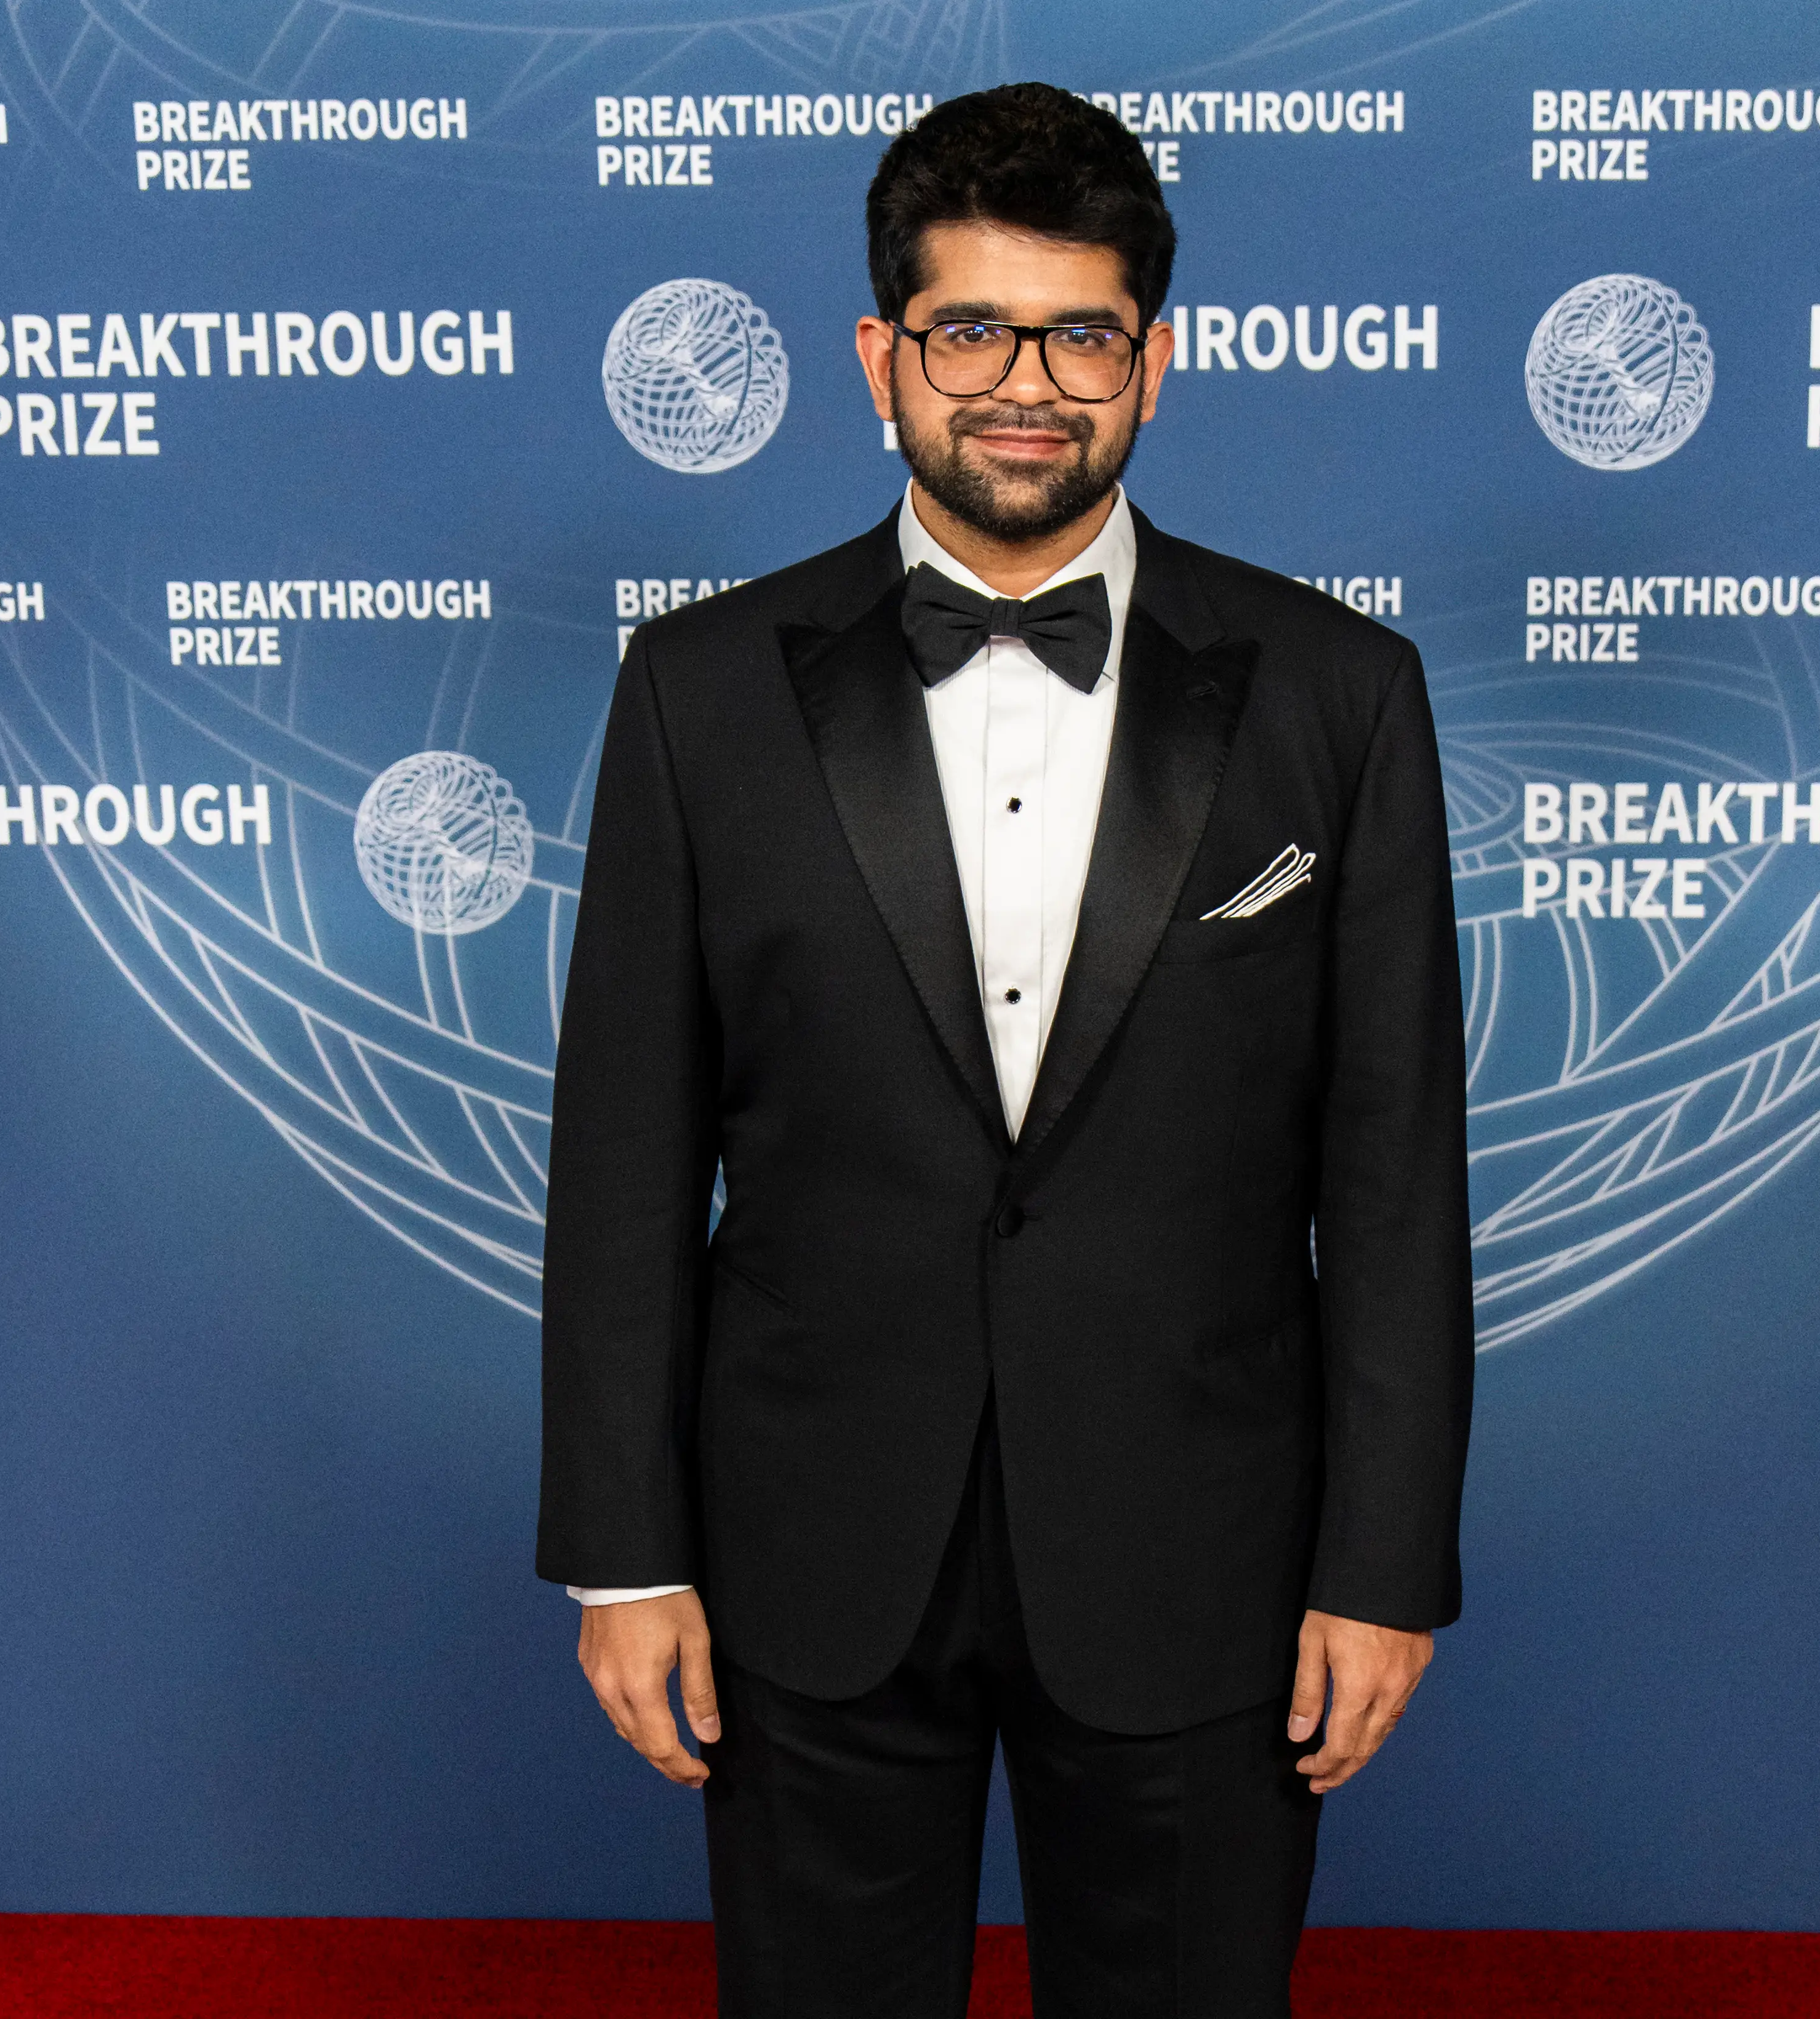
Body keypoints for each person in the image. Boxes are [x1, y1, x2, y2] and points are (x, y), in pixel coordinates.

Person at [539, 81, 1473, 2019]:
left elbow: (1393, 1177)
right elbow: (624, 1150)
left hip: (1203, 1548)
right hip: (809, 1548)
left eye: (1081, 334)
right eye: (970, 330)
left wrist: (1385, 1563)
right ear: (881, 357)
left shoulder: (1339, 698)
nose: (1024, 383)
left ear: (1158, 361)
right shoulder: (699, 694)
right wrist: (621, 1556)